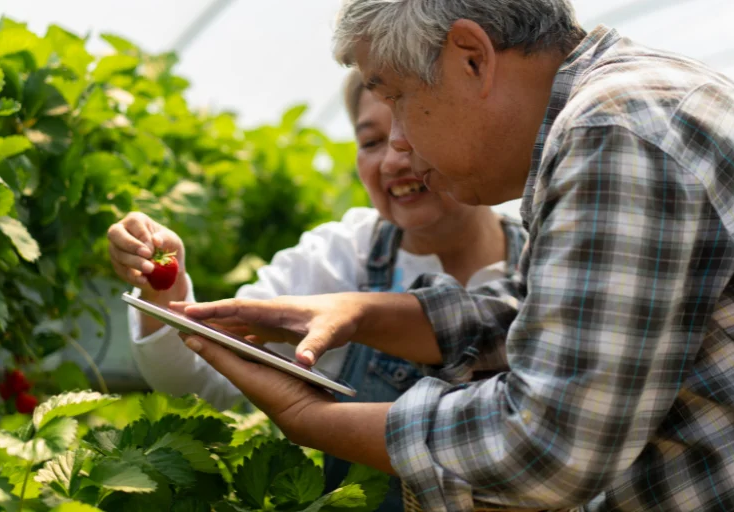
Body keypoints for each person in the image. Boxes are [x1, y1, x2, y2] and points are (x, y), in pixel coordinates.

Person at [172, 1, 734, 511]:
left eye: (397, 96)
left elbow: (547, 444)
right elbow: (552, 319)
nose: (401, 140)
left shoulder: (614, 131)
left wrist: (309, 416)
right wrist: (363, 313)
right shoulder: (609, 109)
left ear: (470, 57)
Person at [107, 69, 527, 512]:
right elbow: (196, 380)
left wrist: (310, 418)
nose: (391, 161)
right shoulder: (340, 257)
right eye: (370, 142)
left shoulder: (549, 254)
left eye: (412, 129)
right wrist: (164, 289)